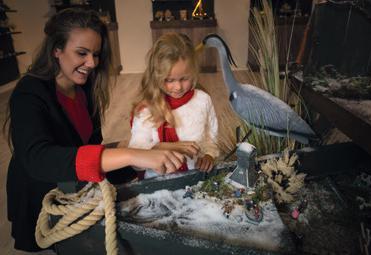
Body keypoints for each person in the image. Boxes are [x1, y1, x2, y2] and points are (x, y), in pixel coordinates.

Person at [3, 8, 184, 252]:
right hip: (40, 196)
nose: (92, 63)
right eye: (82, 53)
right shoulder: (29, 93)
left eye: (96, 54)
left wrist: (144, 151)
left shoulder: (84, 89)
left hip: (76, 191)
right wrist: (132, 155)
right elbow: (39, 158)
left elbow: (89, 149)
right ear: (56, 49)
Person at [128, 32, 219, 179]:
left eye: (184, 79)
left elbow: (211, 135)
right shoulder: (146, 110)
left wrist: (209, 155)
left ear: (193, 72)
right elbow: (134, 160)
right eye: (169, 80)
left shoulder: (203, 100)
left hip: (196, 177)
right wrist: (167, 147)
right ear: (157, 76)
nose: (177, 87)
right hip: (158, 185)